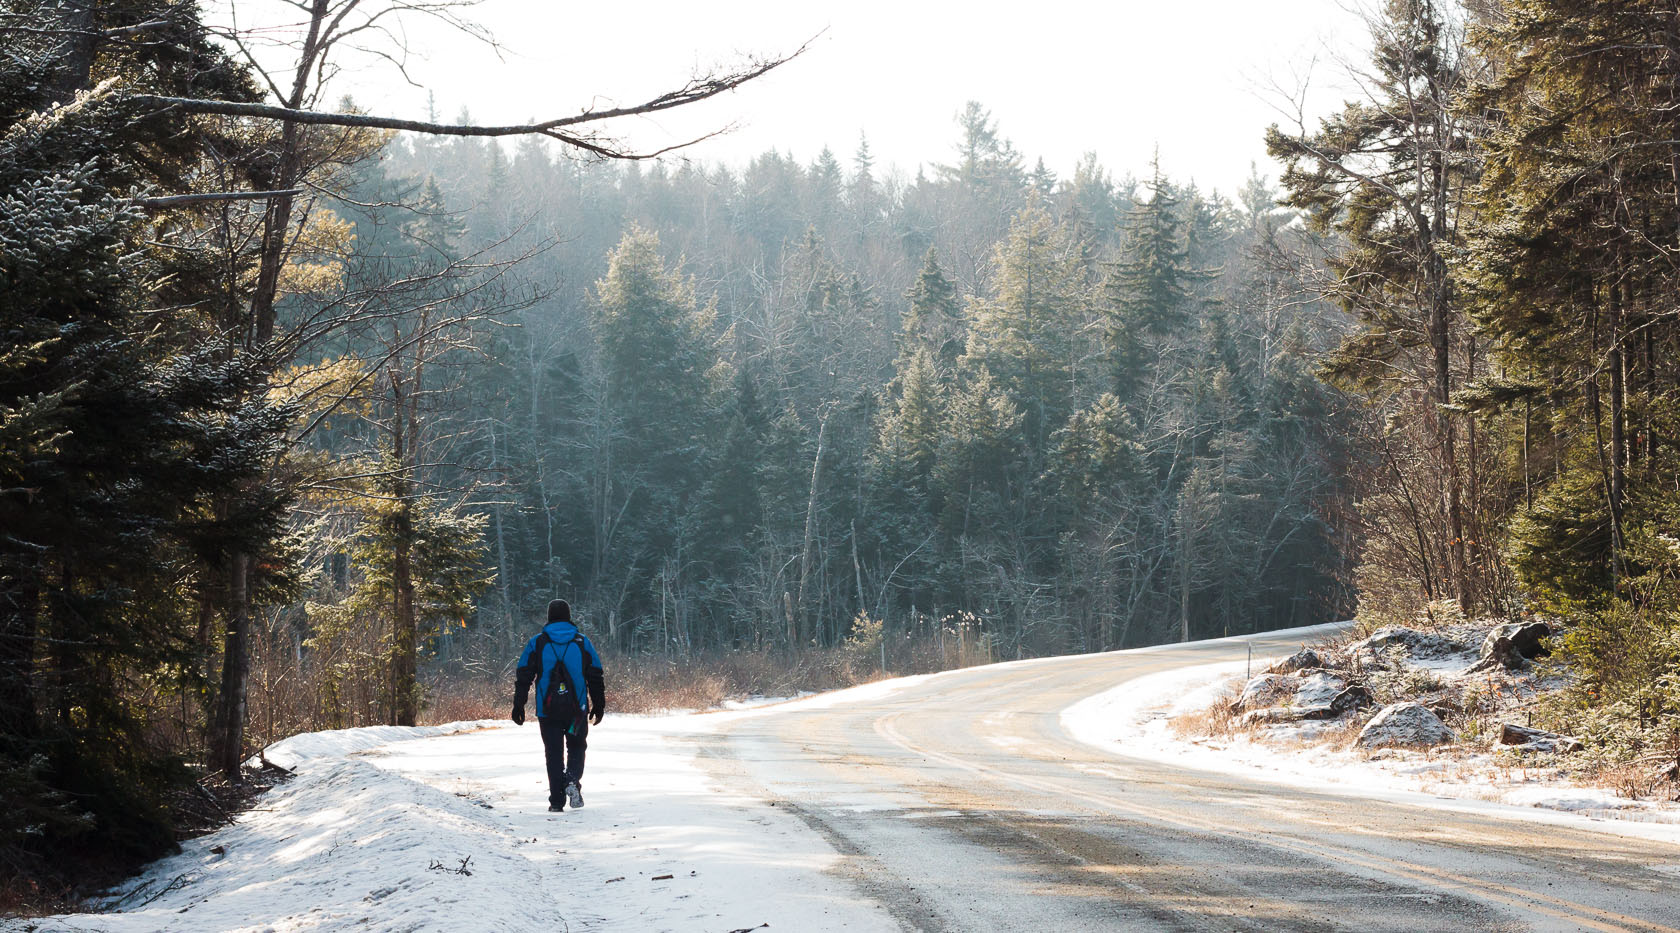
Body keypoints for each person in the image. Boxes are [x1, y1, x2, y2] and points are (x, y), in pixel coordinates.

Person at [512, 599, 605, 812]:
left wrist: (519, 705)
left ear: (549, 616)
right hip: (577, 712)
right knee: (576, 746)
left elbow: (523, 675)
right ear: (568, 616)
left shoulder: (537, 643)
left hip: (548, 711)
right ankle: (572, 780)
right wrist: (599, 705)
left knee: (553, 752)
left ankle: (556, 801)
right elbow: (596, 675)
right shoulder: (582, 642)